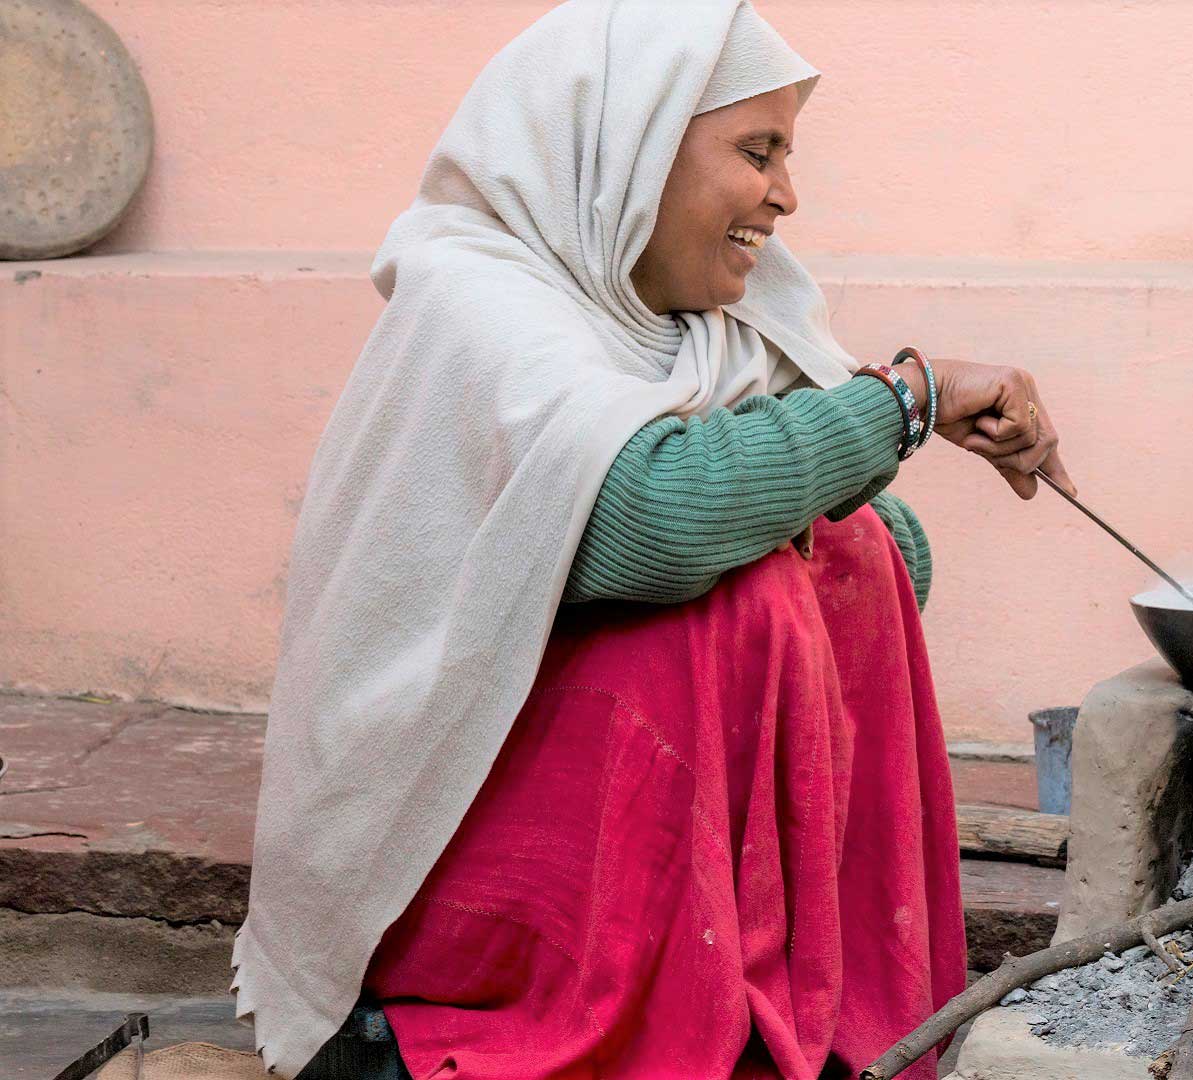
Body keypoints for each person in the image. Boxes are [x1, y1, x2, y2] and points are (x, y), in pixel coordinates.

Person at [231, 2, 1072, 1078]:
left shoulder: (712, 326)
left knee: (821, 567)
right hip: (445, 880)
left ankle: (776, 1005)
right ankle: (484, 1027)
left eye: (787, 155)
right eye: (756, 151)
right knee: (739, 594)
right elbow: (655, 521)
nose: (785, 195)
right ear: (626, 148)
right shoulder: (480, 301)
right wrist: (906, 400)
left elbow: (892, 563)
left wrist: (813, 511)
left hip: (627, 869)